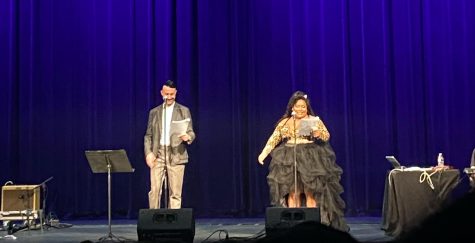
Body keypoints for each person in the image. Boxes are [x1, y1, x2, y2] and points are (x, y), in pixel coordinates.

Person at [257, 91, 349, 232]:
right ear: (292, 107)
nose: (300, 109)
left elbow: (326, 135)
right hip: (289, 157)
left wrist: (318, 134)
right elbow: (273, 139)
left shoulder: (314, 120)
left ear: (307, 108)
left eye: (303, 107)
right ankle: (294, 226)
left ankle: (311, 226)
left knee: (310, 192)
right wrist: (263, 154)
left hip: (310, 158)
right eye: (297, 106)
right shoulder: (285, 122)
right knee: (293, 192)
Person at [144, 80, 195, 209]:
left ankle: (174, 223)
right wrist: (148, 153)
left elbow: (191, 132)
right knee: (155, 191)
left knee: (175, 193)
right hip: (158, 153)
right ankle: (153, 221)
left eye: (172, 94)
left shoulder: (183, 110)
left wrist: (188, 137)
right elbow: (148, 135)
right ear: (162, 93)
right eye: (167, 94)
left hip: (176, 154)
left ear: (176, 93)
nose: (169, 97)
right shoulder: (154, 112)